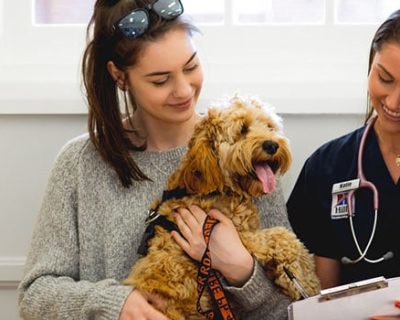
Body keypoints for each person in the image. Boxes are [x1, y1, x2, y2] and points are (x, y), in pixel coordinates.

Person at [18, 0, 293, 319]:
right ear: (120, 76)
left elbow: (289, 309)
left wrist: (241, 270)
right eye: (160, 80)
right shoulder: (79, 163)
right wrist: (116, 304)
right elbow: (34, 295)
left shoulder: (247, 156)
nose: (184, 90)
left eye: (191, 67)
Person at [287, 9, 400, 290]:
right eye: (385, 79)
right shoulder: (327, 168)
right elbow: (318, 296)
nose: (394, 103)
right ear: (370, 66)